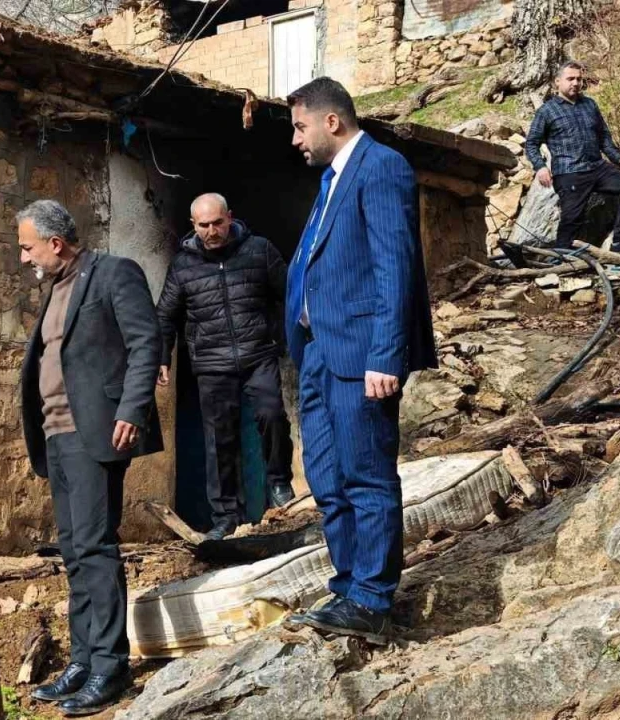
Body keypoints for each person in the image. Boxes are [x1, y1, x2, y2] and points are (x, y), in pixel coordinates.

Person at [281, 77, 437, 644]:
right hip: (318, 354)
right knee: (327, 478)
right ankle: (347, 586)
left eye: (300, 127)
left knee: (367, 476)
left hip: (361, 354)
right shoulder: (331, 179)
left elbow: (396, 267)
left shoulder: (381, 166)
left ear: (332, 121)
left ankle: (372, 599)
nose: (295, 140)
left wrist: (386, 355)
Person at [16, 199, 162, 716]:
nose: (24, 258)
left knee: (96, 547)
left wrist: (132, 409)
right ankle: (82, 659)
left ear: (55, 243)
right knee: (74, 550)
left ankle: (110, 664)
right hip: (56, 435)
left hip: (94, 431)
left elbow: (146, 342)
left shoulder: (114, 273)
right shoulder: (56, 289)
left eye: (28, 247)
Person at [155, 193, 296, 540]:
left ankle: (279, 482)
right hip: (211, 362)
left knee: (272, 415)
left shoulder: (259, 250)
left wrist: (286, 337)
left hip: (257, 353)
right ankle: (225, 516)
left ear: (230, 217)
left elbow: (290, 295)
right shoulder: (183, 266)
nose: (212, 231)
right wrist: (161, 357)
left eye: (218, 222)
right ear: (193, 225)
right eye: (204, 225)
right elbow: (165, 316)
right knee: (219, 439)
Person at [525, 60, 620, 257]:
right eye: (570, 78)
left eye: (579, 79)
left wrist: (619, 159)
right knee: (572, 219)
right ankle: (561, 258)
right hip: (569, 172)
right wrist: (540, 167)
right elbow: (531, 144)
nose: (575, 83)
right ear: (557, 81)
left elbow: (604, 138)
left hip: (597, 168)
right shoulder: (547, 111)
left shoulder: (590, 105)